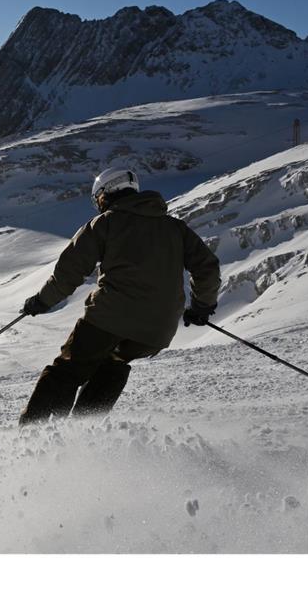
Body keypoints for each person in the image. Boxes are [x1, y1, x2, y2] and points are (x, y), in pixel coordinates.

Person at [18, 168, 220, 425]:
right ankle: (82, 435)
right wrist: (202, 305)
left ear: (104, 194)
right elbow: (207, 268)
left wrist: (41, 301)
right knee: (112, 364)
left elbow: (70, 271)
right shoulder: (175, 228)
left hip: (109, 317)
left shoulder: (106, 223)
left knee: (69, 369)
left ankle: (32, 436)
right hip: (157, 331)